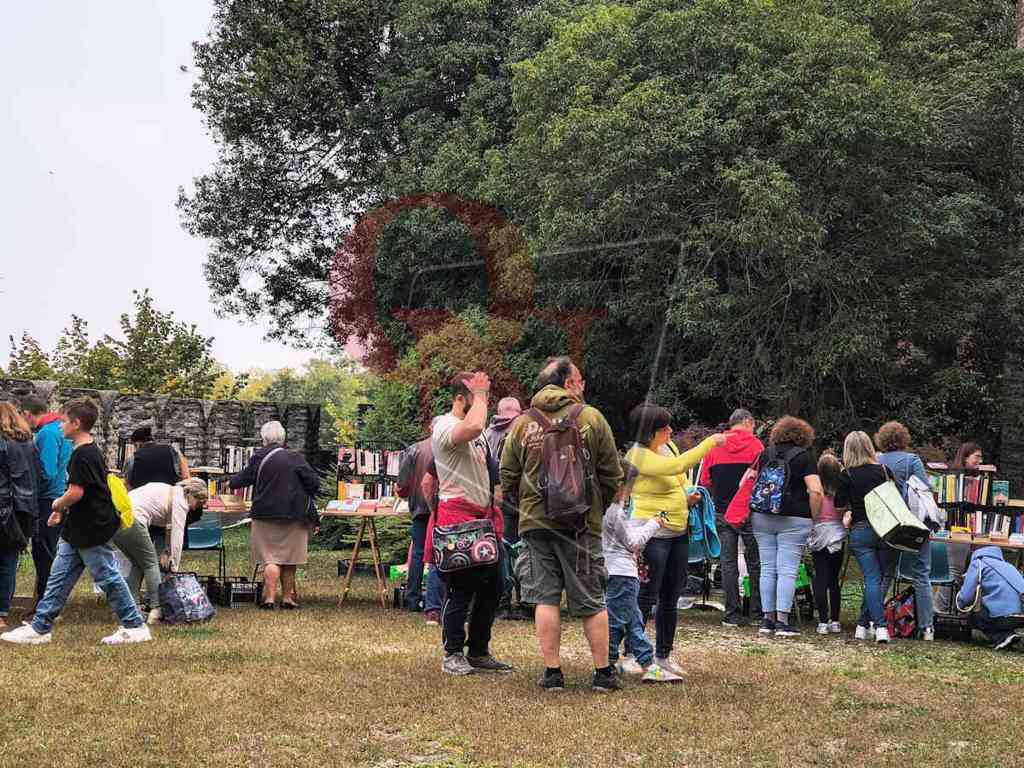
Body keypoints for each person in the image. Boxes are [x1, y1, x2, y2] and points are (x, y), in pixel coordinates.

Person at [500, 356, 622, 692]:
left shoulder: (523, 423)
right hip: (581, 524)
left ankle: (553, 674)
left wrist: (527, 504)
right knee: (591, 600)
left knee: (546, 597)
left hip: (536, 523)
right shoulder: (592, 418)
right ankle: (602, 674)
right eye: (579, 379)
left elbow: (507, 475)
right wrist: (595, 506)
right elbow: (612, 473)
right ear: (567, 383)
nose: (583, 385)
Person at [2, 398, 151, 646]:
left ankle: (134, 625)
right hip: (77, 528)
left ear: (77, 424)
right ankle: (40, 628)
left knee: (108, 577)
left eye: (64, 421)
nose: (60, 426)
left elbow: (76, 492)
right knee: (58, 579)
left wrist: (57, 504)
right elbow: (85, 493)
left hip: (92, 528)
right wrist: (62, 513)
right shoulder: (84, 451)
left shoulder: (83, 455)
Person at [625, 404, 726, 672]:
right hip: (652, 533)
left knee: (671, 596)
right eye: (664, 428)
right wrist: (709, 444)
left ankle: (663, 655)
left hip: (678, 531)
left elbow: (680, 479)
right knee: (645, 596)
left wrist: (688, 497)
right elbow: (676, 466)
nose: (670, 431)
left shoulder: (668, 446)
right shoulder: (637, 455)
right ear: (649, 432)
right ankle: (633, 654)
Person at [428, 371, 512, 676]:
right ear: (461, 398)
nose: (481, 402)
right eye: (474, 396)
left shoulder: (476, 436)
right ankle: (452, 653)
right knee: (462, 589)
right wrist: (481, 393)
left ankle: (478, 650)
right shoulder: (445, 427)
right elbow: (475, 424)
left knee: (494, 587)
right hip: (458, 519)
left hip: (482, 519)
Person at [603, 461, 681, 683]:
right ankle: (646, 664)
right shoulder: (615, 512)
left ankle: (610, 663)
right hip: (623, 574)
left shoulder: (605, 510)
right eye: (630, 487)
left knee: (625, 620)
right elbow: (633, 542)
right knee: (627, 622)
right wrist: (654, 524)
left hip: (614, 572)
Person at [229, 421, 319, 610]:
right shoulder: (295, 458)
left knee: (270, 558)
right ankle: (287, 599)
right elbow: (314, 483)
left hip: (265, 514)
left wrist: (231, 481)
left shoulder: (259, 457)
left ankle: (269, 599)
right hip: (294, 514)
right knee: (290, 558)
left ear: (264, 439)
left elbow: (241, 480)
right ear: (283, 438)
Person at [751, 416, 823, 638]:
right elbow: (816, 490)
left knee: (767, 567)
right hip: (795, 518)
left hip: (762, 516)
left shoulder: (765, 454)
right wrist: (814, 516)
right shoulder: (805, 457)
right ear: (803, 435)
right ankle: (783, 621)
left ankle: (767, 619)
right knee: (787, 569)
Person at [699, 408, 764, 627]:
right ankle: (757, 612)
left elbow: (705, 481)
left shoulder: (715, 446)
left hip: (722, 511)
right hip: (749, 511)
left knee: (727, 563)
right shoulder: (756, 446)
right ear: (748, 422)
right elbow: (764, 479)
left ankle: (732, 614)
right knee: (755, 561)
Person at [875, 421, 935, 640]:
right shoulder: (912, 460)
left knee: (885, 573)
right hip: (914, 524)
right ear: (904, 439)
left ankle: (873, 620)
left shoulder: (877, 460)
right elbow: (925, 489)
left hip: (889, 524)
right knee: (921, 574)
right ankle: (927, 628)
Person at [836, 430, 896, 644]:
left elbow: (839, 505)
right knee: (878, 580)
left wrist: (848, 515)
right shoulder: (884, 470)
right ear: (870, 447)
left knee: (871, 578)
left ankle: (871, 625)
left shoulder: (847, 475)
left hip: (861, 530)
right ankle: (870, 625)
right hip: (887, 529)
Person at [121, 478, 209, 623]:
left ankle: (131, 608)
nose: (196, 508)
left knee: (138, 564)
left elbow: (169, 529)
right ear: (191, 494)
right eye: (199, 503)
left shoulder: (169, 490)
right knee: (151, 564)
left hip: (118, 521)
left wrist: (167, 552)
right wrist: (173, 568)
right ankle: (156, 610)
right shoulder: (180, 502)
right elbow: (177, 537)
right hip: (133, 520)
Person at [20, 394, 73, 610]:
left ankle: (46, 603)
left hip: (47, 498)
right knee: (49, 551)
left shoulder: (46, 434)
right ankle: (46, 600)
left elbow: (47, 471)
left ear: (27, 414)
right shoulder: (60, 429)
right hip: (58, 494)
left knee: (44, 552)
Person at [484, 396, 525, 620]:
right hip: (523, 502)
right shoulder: (524, 429)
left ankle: (502, 601)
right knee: (524, 552)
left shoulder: (487, 433)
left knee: (500, 551)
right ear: (517, 411)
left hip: (494, 502)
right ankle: (524, 600)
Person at [0, 402, 41, 629]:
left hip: (4, 508)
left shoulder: (3, 444)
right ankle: (2, 614)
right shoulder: (29, 444)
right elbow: (36, 476)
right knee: (8, 562)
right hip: (23, 511)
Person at [936, 440, 985, 613]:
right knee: (954, 572)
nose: (980, 461)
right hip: (956, 531)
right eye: (976, 457)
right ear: (965, 458)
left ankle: (967, 611)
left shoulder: (983, 479)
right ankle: (941, 609)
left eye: (981, 457)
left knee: (975, 572)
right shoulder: (953, 479)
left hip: (977, 532)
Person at [396, 419, 439, 613]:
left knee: (418, 552)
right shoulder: (454, 448)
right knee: (442, 554)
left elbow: (402, 483)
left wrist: (403, 493)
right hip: (444, 507)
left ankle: (412, 598)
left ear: (430, 428)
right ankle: (437, 600)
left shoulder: (414, 449)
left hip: (420, 507)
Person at [956, 546, 1024, 649]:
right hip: (1021, 615)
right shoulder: (1009, 565)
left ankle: (1002, 637)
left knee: (974, 618)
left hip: (1004, 616)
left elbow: (966, 597)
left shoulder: (978, 563)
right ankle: (1009, 634)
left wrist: (960, 607)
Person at [809, 451, 846, 635]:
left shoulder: (815, 491)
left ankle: (822, 621)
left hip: (818, 534)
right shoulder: (840, 491)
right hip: (837, 535)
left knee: (820, 577)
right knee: (834, 579)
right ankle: (836, 620)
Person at [123, 425, 190, 490]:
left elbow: (127, 486)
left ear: (138, 444)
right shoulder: (173, 450)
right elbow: (186, 477)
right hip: (170, 498)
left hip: (143, 499)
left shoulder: (132, 459)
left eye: (135, 446)